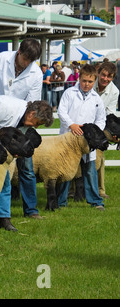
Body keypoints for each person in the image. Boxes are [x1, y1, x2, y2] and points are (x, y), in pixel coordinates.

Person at [0, 38, 43, 219]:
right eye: (25, 59)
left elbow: (33, 104)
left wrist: (19, 134)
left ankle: (31, 209)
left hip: (19, 123)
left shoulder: (36, 74)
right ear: (19, 52)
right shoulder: (1, 59)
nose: (27, 64)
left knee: (26, 165)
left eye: (31, 61)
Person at [0, 96, 53, 231]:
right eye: (37, 122)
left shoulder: (24, 122)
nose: (36, 126)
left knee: (5, 181)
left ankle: (4, 219)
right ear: (32, 114)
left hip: (1, 152)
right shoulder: (5, 106)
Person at [57, 64, 106, 210]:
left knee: (90, 170)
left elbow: (101, 119)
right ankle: (60, 201)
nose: (86, 84)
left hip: (87, 140)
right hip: (70, 138)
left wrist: (95, 133)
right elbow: (61, 111)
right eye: (84, 81)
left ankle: (96, 201)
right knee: (66, 171)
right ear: (79, 78)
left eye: (90, 82)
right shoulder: (69, 93)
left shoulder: (96, 98)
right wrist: (71, 124)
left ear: (94, 81)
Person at [94, 61, 119, 199]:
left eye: (109, 77)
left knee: (99, 155)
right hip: (80, 124)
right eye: (103, 75)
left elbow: (109, 115)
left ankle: (100, 190)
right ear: (98, 73)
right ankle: (71, 191)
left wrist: (111, 134)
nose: (105, 79)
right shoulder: (89, 82)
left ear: (113, 77)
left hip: (99, 126)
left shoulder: (114, 91)